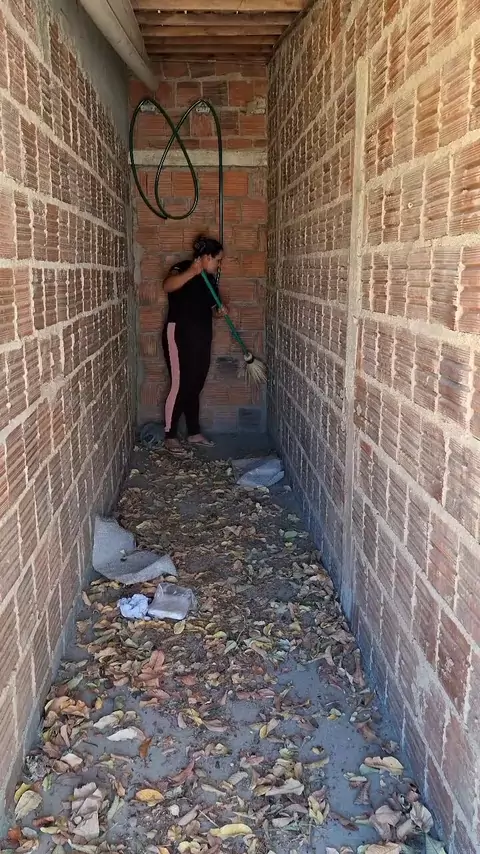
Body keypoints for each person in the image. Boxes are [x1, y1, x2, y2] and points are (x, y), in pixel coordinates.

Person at [162, 234, 226, 456]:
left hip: (202, 337)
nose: (219, 265)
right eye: (217, 260)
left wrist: (220, 311)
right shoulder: (182, 268)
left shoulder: (211, 280)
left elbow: (213, 308)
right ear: (206, 257)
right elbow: (167, 286)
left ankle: (193, 432)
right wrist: (192, 272)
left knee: (196, 383)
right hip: (179, 335)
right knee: (181, 384)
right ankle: (170, 435)